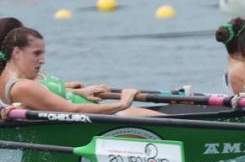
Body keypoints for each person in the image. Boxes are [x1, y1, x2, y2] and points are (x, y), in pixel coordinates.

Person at [0, 26, 156, 116]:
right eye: (36, 53)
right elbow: (74, 110)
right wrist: (123, 103)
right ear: (17, 52)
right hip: (99, 122)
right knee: (175, 121)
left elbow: (41, 96)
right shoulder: (23, 86)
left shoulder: (11, 76)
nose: (43, 60)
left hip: (97, 114)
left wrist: (80, 92)